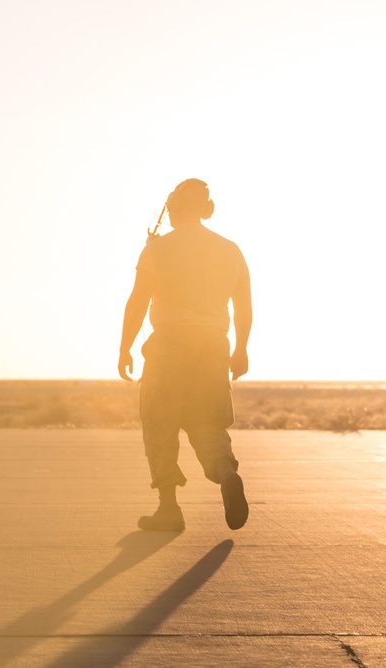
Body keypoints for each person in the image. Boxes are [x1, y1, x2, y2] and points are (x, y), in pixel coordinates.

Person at [118, 178, 252, 532]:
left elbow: (138, 301)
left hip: (170, 345)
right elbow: (244, 308)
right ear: (207, 209)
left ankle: (169, 508)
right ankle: (225, 472)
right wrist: (241, 349)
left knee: (160, 421)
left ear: (174, 206)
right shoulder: (231, 250)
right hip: (214, 345)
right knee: (207, 421)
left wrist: (125, 347)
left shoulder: (158, 249)